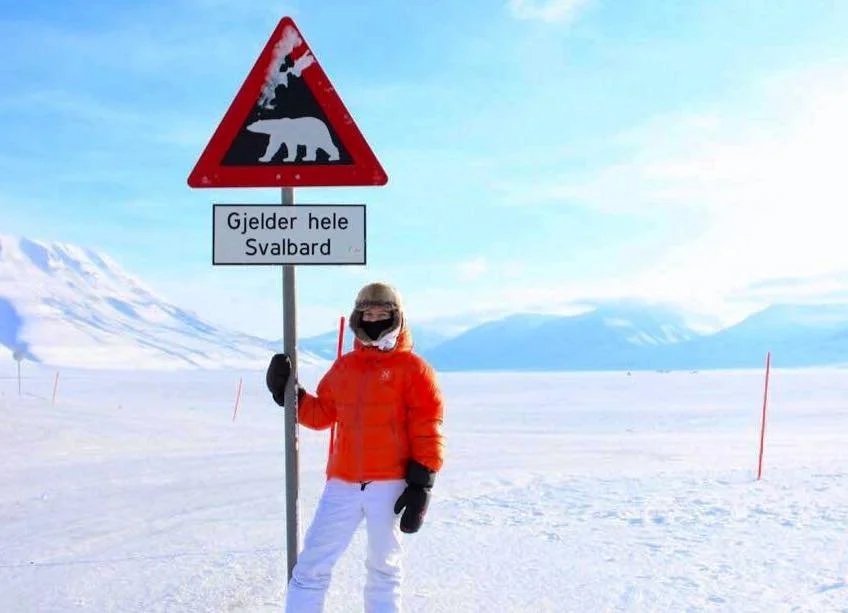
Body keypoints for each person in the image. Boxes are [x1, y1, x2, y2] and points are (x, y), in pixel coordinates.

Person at [265, 281, 445, 613]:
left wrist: (422, 484)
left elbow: (427, 427)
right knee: (310, 568)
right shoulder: (345, 367)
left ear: (397, 318)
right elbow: (322, 415)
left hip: (390, 485)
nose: (374, 319)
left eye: (382, 314)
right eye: (368, 313)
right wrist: (290, 396)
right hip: (342, 483)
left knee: (384, 570)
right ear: (357, 318)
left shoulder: (414, 370)